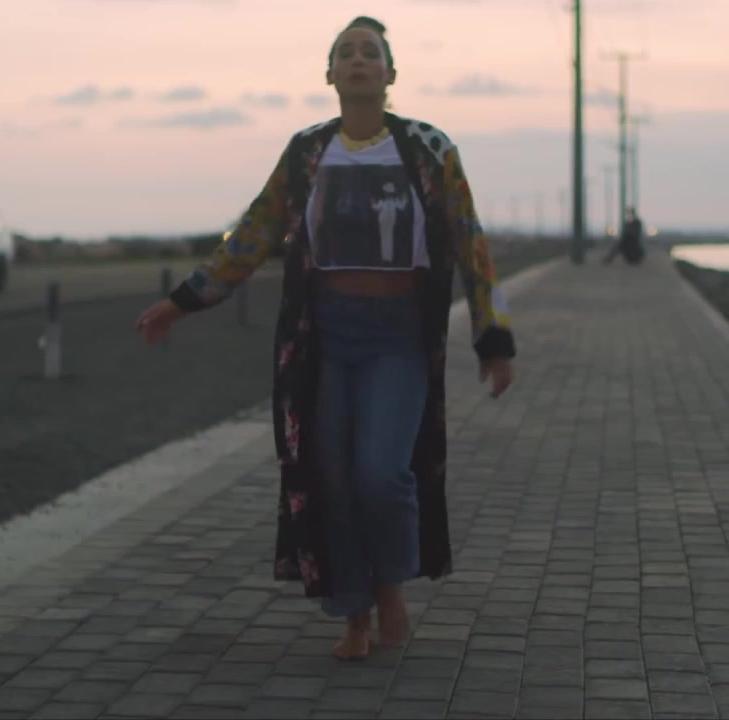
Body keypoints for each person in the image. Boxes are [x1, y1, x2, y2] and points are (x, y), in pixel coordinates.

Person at [134, 15, 517, 661]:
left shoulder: (429, 149)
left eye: (370, 52)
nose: (358, 60)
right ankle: (354, 616)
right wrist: (182, 302)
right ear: (330, 73)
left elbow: (469, 242)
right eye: (346, 52)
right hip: (325, 340)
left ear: (390, 74)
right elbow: (253, 234)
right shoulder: (307, 152)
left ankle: (391, 587)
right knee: (331, 476)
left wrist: (495, 340)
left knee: (381, 473)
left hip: (398, 338)